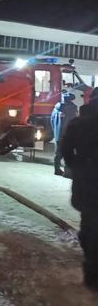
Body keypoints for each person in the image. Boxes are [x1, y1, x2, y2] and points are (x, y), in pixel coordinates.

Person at [61, 87, 98, 291]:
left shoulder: (78, 123)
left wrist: (77, 166)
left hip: (86, 181)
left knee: (89, 225)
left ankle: (92, 273)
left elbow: (65, 150)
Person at [50, 91, 78, 175]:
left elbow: (51, 121)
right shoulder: (72, 108)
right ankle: (68, 172)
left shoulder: (55, 109)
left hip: (58, 134)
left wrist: (55, 132)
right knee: (68, 152)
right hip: (68, 134)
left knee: (58, 152)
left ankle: (57, 169)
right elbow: (73, 121)